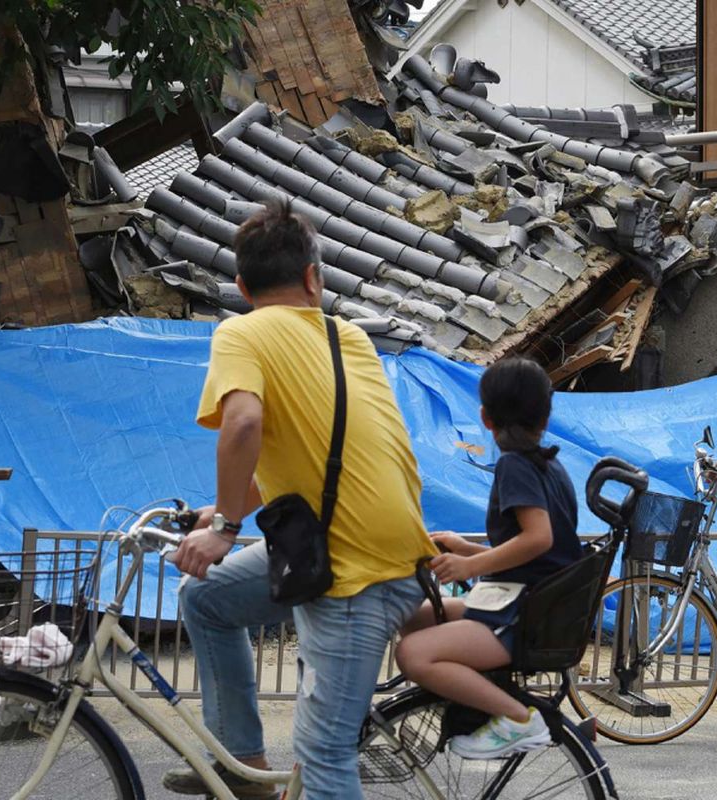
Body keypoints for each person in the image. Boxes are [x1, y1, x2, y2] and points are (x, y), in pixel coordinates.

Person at [164, 200, 438, 799]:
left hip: (348, 566)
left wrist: (227, 526)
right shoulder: (350, 337)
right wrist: (226, 507)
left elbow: (242, 426)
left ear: (241, 286)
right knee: (207, 597)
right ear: (315, 278)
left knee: (323, 755)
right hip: (371, 543)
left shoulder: (239, 331)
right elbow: (317, 448)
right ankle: (241, 763)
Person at [395, 357, 583, 759]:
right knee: (409, 616)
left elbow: (538, 538)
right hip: (529, 605)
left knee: (412, 653)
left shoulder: (515, 465)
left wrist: (469, 566)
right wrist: (468, 550)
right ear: (545, 416)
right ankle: (469, 702)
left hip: (522, 615)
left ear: (484, 416)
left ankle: (517, 717)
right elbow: (538, 553)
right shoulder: (551, 465)